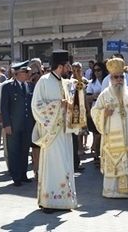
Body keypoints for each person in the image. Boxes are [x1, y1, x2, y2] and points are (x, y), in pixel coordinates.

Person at [31, 50, 79, 213]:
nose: (69, 68)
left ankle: (64, 201)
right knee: (53, 166)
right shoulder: (44, 81)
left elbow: (72, 105)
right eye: (67, 65)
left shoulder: (66, 83)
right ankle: (49, 202)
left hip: (65, 132)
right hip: (51, 132)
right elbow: (36, 106)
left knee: (65, 164)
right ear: (60, 66)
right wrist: (59, 104)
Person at [91, 57, 128, 198]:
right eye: (115, 77)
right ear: (110, 78)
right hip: (113, 139)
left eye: (121, 77)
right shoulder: (105, 95)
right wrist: (104, 114)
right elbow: (94, 111)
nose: (119, 79)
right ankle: (112, 191)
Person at [1, 61, 35, 186]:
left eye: (27, 72)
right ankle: (16, 176)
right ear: (16, 74)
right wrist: (7, 125)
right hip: (13, 125)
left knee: (24, 150)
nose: (27, 74)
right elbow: (4, 108)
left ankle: (23, 174)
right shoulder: (7, 87)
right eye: (25, 72)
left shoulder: (29, 86)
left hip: (26, 124)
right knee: (14, 151)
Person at [85, 61, 107, 165]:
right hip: (96, 110)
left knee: (105, 134)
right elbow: (87, 98)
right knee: (97, 135)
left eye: (99, 70)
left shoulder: (108, 81)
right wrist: (94, 96)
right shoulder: (91, 83)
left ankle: (105, 154)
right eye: (95, 70)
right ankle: (97, 155)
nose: (97, 72)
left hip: (107, 110)